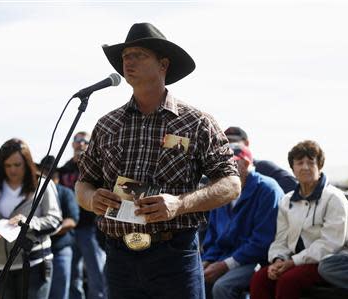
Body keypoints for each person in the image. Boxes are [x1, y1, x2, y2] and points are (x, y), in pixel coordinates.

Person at [75, 22, 241, 299]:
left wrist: (179, 204)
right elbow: (83, 185)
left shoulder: (197, 123)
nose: (128, 61)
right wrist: (93, 200)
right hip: (118, 257)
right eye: (125, 56)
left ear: (163, 64)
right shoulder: (107, 125)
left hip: (174, 256)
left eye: (138, 54)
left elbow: (231, 183)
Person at [249, 140, 348, 299]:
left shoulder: (334, 198)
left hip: (328, 262)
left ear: (319, 166)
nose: (305, 167)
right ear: (293, 169)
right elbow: (281, 239)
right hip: (293, 261)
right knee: (260, 278)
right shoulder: (287, 201)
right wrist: (278, 260)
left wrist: (293, 262)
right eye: (299, 163)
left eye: (311, 162)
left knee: (289, 281)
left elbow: (330, 245)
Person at [0, 138, 62, 299]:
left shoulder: (43, 185)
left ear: (27, 163)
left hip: (34, 263)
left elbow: (55, 220)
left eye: (17, 165)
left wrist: (28, 223)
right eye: (7, 165)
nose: (12, 170)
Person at [201, 144, 283, 299]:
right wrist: (207, 260)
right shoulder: (222, 191)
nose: (225, 169)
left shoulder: (267, 190)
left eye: (232, 163)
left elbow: (262, 243)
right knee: (195, 279)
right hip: (224, 257)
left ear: (246, 164)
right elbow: (213, 235)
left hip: (257, 261)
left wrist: (225, 265)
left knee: (222, 287)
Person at [58, 131, 107, 299]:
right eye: (78, 140)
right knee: (72, 276)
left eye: (85, 141)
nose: (81, 144)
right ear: (72, 144)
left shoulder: (95, 169)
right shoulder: (63, 169)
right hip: (68, 230)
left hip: (90, 228)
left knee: (96, 273)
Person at [37, 155, 80, 299]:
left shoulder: (65, 192)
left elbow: (72, 220)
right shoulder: (36, 193)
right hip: (38, 251)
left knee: (60, 293)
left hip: (60, 250)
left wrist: (50, 230)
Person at [224, 126, 298, 193]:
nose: (230, 146)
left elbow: (291, 183)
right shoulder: (219, 170)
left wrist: (262, 195)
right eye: (225, 143)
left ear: (246, 143)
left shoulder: (263, 167)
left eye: (234, 142)